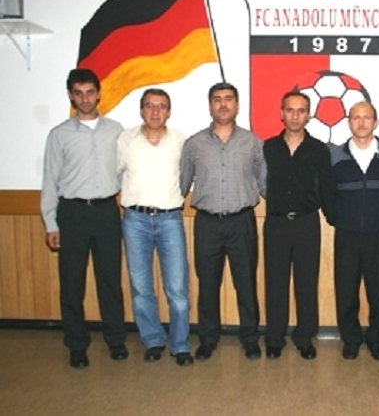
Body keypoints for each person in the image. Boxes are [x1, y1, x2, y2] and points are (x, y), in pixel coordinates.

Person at [41, 68, 128, 368]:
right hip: (72, 213)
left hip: (106, 212)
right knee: (72, 283)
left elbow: (122, 170)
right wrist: (51, 223)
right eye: (78, 93)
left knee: (110, 280)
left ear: (98, 93)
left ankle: (116, 340)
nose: (85, 98)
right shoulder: (59, 135)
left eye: (90, 92)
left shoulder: (115, 130)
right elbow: (50, 180)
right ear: (71, 96)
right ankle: (77, 346)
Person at [180, 82, 267, 360]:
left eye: (228, 99)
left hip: (242, 222)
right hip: (207, 223)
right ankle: (208, 339)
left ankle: (250, 339)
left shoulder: (253, 143)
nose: (223, 104)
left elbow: (265, 183)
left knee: (246, 283)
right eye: (217, 99)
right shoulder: (193, 144)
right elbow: (182, 185)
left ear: (237, 105)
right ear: (210, 106)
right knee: (208, 284)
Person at [117, 89, 193, 367]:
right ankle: (152, 340)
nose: (155, 111)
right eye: (149, 106)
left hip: (170, 219)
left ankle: (180, 344)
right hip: (135, 220)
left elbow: (187, 178)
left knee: (177, 288)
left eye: (161, 106)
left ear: (169, 112)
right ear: (141, 110)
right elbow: (113, 174)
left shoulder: (181, 142)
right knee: (141, 287)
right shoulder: (125, 140)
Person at [329, 101, 379, 361]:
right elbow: (327, 193)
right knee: (346, 290)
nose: (361, 122)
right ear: (349, 122)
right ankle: (351, 339)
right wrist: (339, 219)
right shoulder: (335, 156)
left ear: (376, 122)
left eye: (367, 117)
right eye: (356, 117)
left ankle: (376, 340)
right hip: (347, 234)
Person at [262, 91, 334, 360]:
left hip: (306, 223)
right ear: (282, 113)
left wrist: (333, 216)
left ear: (309, 115)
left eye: (301, 110)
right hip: (276, 223)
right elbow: (259, 182)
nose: (295, 115)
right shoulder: (268, 148)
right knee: (275, 283)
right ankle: (274, 338)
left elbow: (327, 188)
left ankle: (305, 337)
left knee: (306, 282)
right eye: (290, 110)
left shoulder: (319, 150)